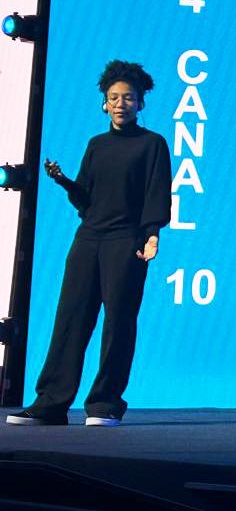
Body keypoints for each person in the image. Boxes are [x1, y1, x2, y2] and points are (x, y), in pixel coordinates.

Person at [8, 60, 171, 427]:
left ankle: (104, 404)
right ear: (104, 103)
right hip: (88, 238)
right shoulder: (96, 145)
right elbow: (86, 199)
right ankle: (50, 403)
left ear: (140, 103)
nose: (120, 104)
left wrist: (152, 234)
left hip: (126, 240)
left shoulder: (152, 144)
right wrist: (64, 180)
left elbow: (156, 192)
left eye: (128, 98)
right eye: (113, 98)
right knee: (71, 318)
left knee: (118, 322)